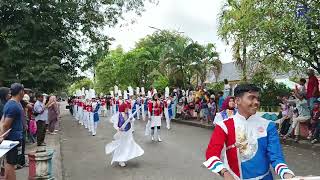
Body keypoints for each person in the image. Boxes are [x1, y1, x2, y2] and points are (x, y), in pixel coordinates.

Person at [203, 84, 295, 180]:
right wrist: (225, 173)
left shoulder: (268, 125)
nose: (256, 102)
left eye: (258, 99)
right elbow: (212, 154)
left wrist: (286, 174)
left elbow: (276, 157)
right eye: (251, 98)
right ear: (237, 100)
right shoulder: (224, 126)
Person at [105, 102, 144, 167]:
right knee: (121, 145)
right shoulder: (118, 115)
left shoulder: (129, 113)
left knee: (129, 144)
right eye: (126, 108)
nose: (127, 109)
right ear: (123, 108)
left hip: (128, 133)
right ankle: (121, 160)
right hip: (121, 133)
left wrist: (131, 120)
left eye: (127, 108)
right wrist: (118, 128)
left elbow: (132, 120)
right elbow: (114, 124)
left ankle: (129, 155)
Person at [0, 83, 25, 180]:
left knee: (9, 163)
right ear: (21, 92)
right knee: (11, 164)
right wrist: (2, 136)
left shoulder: (11, 103)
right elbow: (6, 124)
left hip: (12, 139)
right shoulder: (13, 105)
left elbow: (2, 121)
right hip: (11, 140)